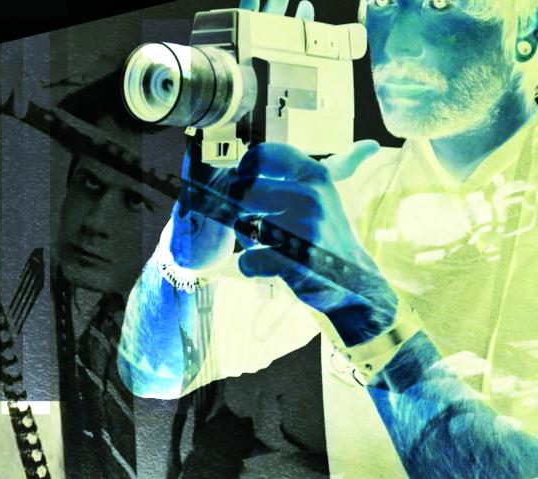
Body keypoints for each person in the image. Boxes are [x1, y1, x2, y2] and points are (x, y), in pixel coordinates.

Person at [118, 0, 538, 477]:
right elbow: (154, 373)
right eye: (382, 3)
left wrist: (363, 309)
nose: (398, 44)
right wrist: (192, 242)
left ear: (528, 26)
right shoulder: (354, 193)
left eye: (440, 4)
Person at [0, 56, 175, 477]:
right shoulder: (18, 295)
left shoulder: (231, 346)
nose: (95, 222)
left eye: (136, 202)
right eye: (90, 184)